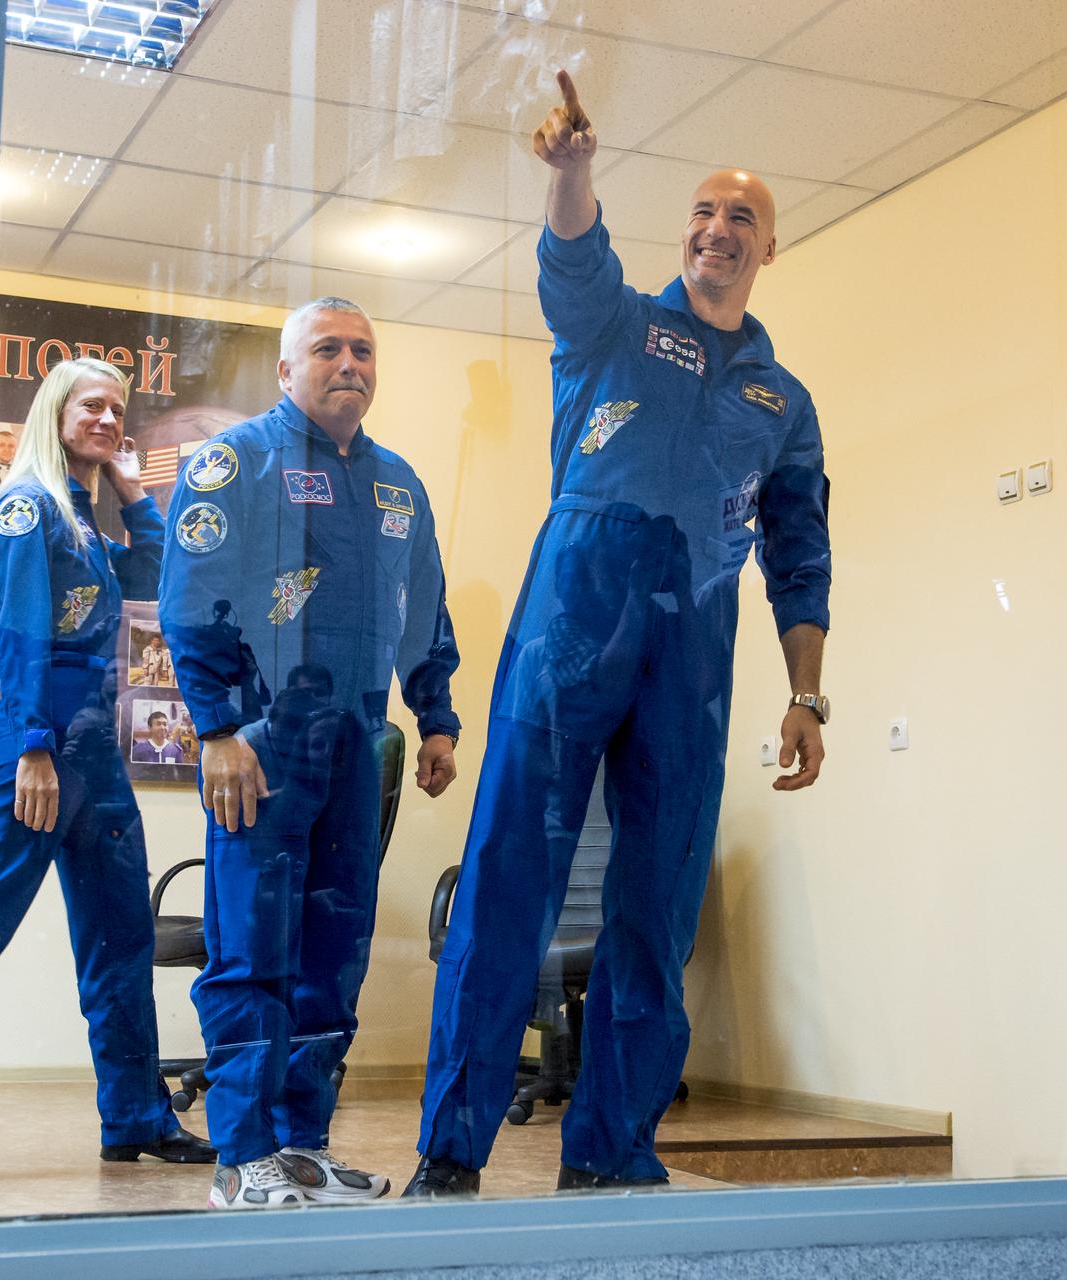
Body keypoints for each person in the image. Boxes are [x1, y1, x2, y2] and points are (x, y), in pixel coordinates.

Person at [404, 72, 832, 1198]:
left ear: (770, 249)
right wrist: (571, 172)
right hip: (573, 616)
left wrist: (807, 693)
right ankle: (451, 1149)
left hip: (692, 649)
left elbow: (801, 557)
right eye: (701, 210)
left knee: (658, 901)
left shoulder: (782, 403)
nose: (716, 229)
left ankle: (612, 1148)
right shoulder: (618, 328)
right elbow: (573, 260)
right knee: (509, 875)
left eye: (742, 217)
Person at [159, 297, 461, 1211]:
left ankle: (302, 1146)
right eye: (327, 349)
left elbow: (425, 607)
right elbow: (190, 596)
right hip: (259, 743)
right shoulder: (237, 462)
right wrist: (215, 728)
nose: (349, 364)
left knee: (335, 950)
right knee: (253, 945)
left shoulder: (398, 483)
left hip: (358, 748)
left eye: (364, 350)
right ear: (287, 371)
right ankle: (241, 1154)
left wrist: (436, 714)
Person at [0, 357, 212, 1184]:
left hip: (98, 759)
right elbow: (20, 632)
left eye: (116, 409)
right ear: (54, 411)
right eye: (89, 404)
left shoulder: (87, 524)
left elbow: (162, 583)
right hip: (45, 748)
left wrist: (136, 495)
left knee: (121, 938)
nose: (104, 418)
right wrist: (29, 746)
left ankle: (135, 1116)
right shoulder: (27, 509)